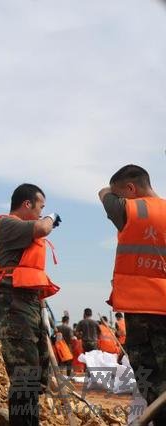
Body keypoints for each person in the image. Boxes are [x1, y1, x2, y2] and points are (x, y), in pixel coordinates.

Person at [0, 183, 61, 425]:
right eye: (41, 207)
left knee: (36, 376)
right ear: (27, 204)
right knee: (23, 376)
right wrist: (52, 218)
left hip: (28, 304)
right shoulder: (7, 224)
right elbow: (42, 227)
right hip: (13, 304)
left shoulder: (22, 231)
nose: (42, 212)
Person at [99, 164, 166, 423]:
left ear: (130, 189)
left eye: (122, 193)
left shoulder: (131, 210)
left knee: (154, 389)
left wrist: (111, 191)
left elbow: (104, 194)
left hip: (143, 315)